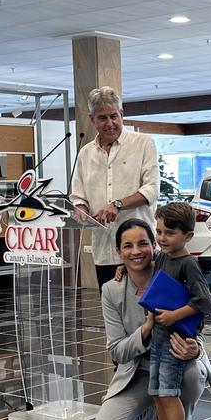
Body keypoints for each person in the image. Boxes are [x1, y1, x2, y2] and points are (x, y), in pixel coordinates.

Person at [88, 218, 211, 420]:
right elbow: (116, 351)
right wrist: (146, 328)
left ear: (154, 247)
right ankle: (162, 418)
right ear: (118, 252)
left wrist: (196, 349)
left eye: (142, 244)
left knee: (191, 373)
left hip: (176, 364)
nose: (136, 252)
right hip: (136, 374)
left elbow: (196, 321)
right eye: (127, 246)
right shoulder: (112, 290)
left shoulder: (173, 276)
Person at [136, 203, 211, 420]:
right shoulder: (163, 257)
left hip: (175, 339)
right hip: (159, 336)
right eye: (159, 231)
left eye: (169, 232)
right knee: (157, 393)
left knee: (170, 395)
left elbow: (205, 302)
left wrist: (174, 315)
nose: (162, 238)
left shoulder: (188, 264)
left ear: (188, 236)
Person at [69, 86, 160, 288]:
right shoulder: (85, 153)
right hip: (103, 248)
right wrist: (81, 211)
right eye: (102, 118)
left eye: (114, 116)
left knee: (144, 309)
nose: (110, 123)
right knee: (111, 310)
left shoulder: (143, 143)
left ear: (122, 115)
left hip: (138, 248)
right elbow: (78, 197)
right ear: (92, 119)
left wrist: (117, 204)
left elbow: (151, 190)